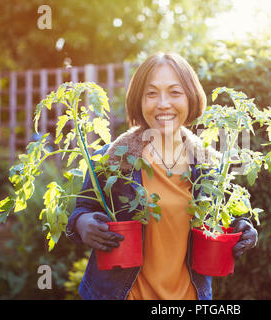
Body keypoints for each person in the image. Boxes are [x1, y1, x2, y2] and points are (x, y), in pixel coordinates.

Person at [66, 52, 258, 300]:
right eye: (152, 93)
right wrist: (83, 225)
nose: (163, 103)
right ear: (140, 100)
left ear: (190, 98)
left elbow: (229, 219)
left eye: (175, 93)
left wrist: (244, 229)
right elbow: (81, 210)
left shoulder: (211, 167)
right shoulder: (111, 159)